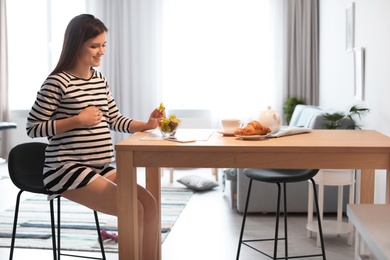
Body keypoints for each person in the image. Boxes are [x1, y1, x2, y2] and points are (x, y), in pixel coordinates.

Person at [26, 14, 161, 260]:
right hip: (66, 169)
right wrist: (78, 120)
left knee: (149, 204)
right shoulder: (57, 82)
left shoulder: (99, 80)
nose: (101, 52)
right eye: (94, 46)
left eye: (104, 45)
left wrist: (147, 124)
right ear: (77, 45)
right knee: (133, 209)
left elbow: (115, 119)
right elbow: (34, 127)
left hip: (98, 167)